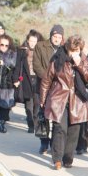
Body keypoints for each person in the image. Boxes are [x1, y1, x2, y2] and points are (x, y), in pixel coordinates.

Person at [39, 35, 88, 169]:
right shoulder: (57, 59)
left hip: (77, 100)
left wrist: (79, 64)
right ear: (67, 48)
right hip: (59, 98)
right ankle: (57, 159)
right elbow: (47, 80)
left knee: (74, 131)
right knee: (59, 129)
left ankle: (68, 158)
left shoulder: (83, 60)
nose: (74, 53)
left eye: (77, 50)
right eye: (72, 50)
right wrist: (42, 99)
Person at [34, 24, 65, 155]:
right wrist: (48, 78)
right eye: (55, 36)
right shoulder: (40, 46)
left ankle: (55, 143)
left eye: (59, 37)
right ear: (51, 35)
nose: (57, 39)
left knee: (56, 116)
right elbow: (36, 65)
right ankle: (44, 142)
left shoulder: (64, 49)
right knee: (42, 115)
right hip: (42, 86)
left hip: (58, 88)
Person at [15, 29, 43, 133]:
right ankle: (30, 124)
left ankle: (35, 123)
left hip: (37, 79)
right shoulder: (22, 51)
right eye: (31, 41)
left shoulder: (40, 52)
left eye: (35, 41)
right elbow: (18, 66)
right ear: (27, 40)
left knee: (37, 104)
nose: (33, 44)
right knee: (28, 105)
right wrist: (16, 79)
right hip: (26, 79)